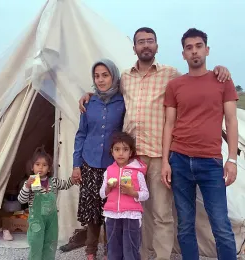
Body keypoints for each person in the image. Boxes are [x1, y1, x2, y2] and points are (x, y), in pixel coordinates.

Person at [78, 27, 232, 260]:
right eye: (141, 42)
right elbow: (106, 90)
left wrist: (220, 70)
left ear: (157, 46)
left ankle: (161, 257)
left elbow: (197, 80)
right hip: (131, 157)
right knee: (137, 211)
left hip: (160, 155)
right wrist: (88, 95)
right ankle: (139, 255)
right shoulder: (126, 78)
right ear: (135, 48)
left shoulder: (171, 75)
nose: (146, 45)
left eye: (150, 41)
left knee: (162, 213)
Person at [162, 28, 238, 260]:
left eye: (198, 46)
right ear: (183, 54)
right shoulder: (175, 86)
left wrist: (232, 159)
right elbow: (169, 124)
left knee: (221, 225)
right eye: (189, 48)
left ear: (207, 49)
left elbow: (231, 120)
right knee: (185, 225)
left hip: (211, 161)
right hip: (180, 159)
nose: (194, 51)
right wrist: (165, 161)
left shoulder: (222, 81)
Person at [72, 59, 125, 260]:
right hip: (89, 163)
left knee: (111, 210)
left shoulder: (123, 101)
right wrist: (76, 165)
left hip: (112, 165)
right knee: (92, 212)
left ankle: (110, 251)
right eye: (97, 76)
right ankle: (90, 251)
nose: (101, 80)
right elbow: (81, 134)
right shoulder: (88, 103)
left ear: (113, 76)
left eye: (105, 75)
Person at [18, 146, 76, 260]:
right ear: (32, 167)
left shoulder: (53, 181)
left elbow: (65, 184)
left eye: (44, 165)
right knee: (36, 244)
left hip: (51, 220)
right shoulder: (30, 183)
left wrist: (73, 179)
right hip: (36, 221)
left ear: (49, 169)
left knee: (50, 243)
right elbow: (21, 200)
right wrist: (27, 186)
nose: (41, 168)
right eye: (37, 164)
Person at [99, 132, 149, 260]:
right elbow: (102, 194)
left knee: (130, 249)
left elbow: (145, 194)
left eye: (125, 149)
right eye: (117, 149)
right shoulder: (109, 171)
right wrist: (108, 188)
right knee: (113, 249)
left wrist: (133, 193)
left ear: (131, 152)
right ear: (112, 152)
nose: (121, 153)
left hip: (132, 215)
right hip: (112, 214)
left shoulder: (137, 172)